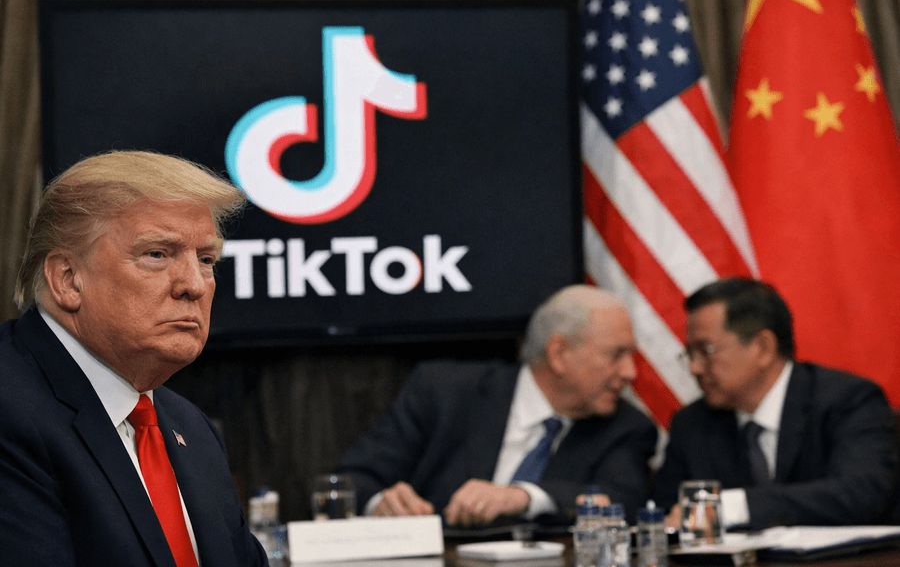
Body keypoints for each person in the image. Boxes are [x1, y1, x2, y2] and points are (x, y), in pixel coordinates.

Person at [0, 151, 268, 566]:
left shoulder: (192, 431)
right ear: (68, 279)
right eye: (157, 254)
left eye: (206, 260)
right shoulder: (9, 411)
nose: (194, 285)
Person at [337, 284, 658, 527]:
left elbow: (623, 503)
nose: (630, 373)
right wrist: (381, 502)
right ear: (559, 354)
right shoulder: (444, 392)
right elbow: (352, 481)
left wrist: (523, 496)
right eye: (616, 355)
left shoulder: (627, 428)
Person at [654, 277, 900, 530]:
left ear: (763, 347)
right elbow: (667, 514)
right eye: (690, 354)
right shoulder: (691, 424)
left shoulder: (848, 401)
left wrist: (737, 507)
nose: (694, 368)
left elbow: (860, 495)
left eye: (706, 350)